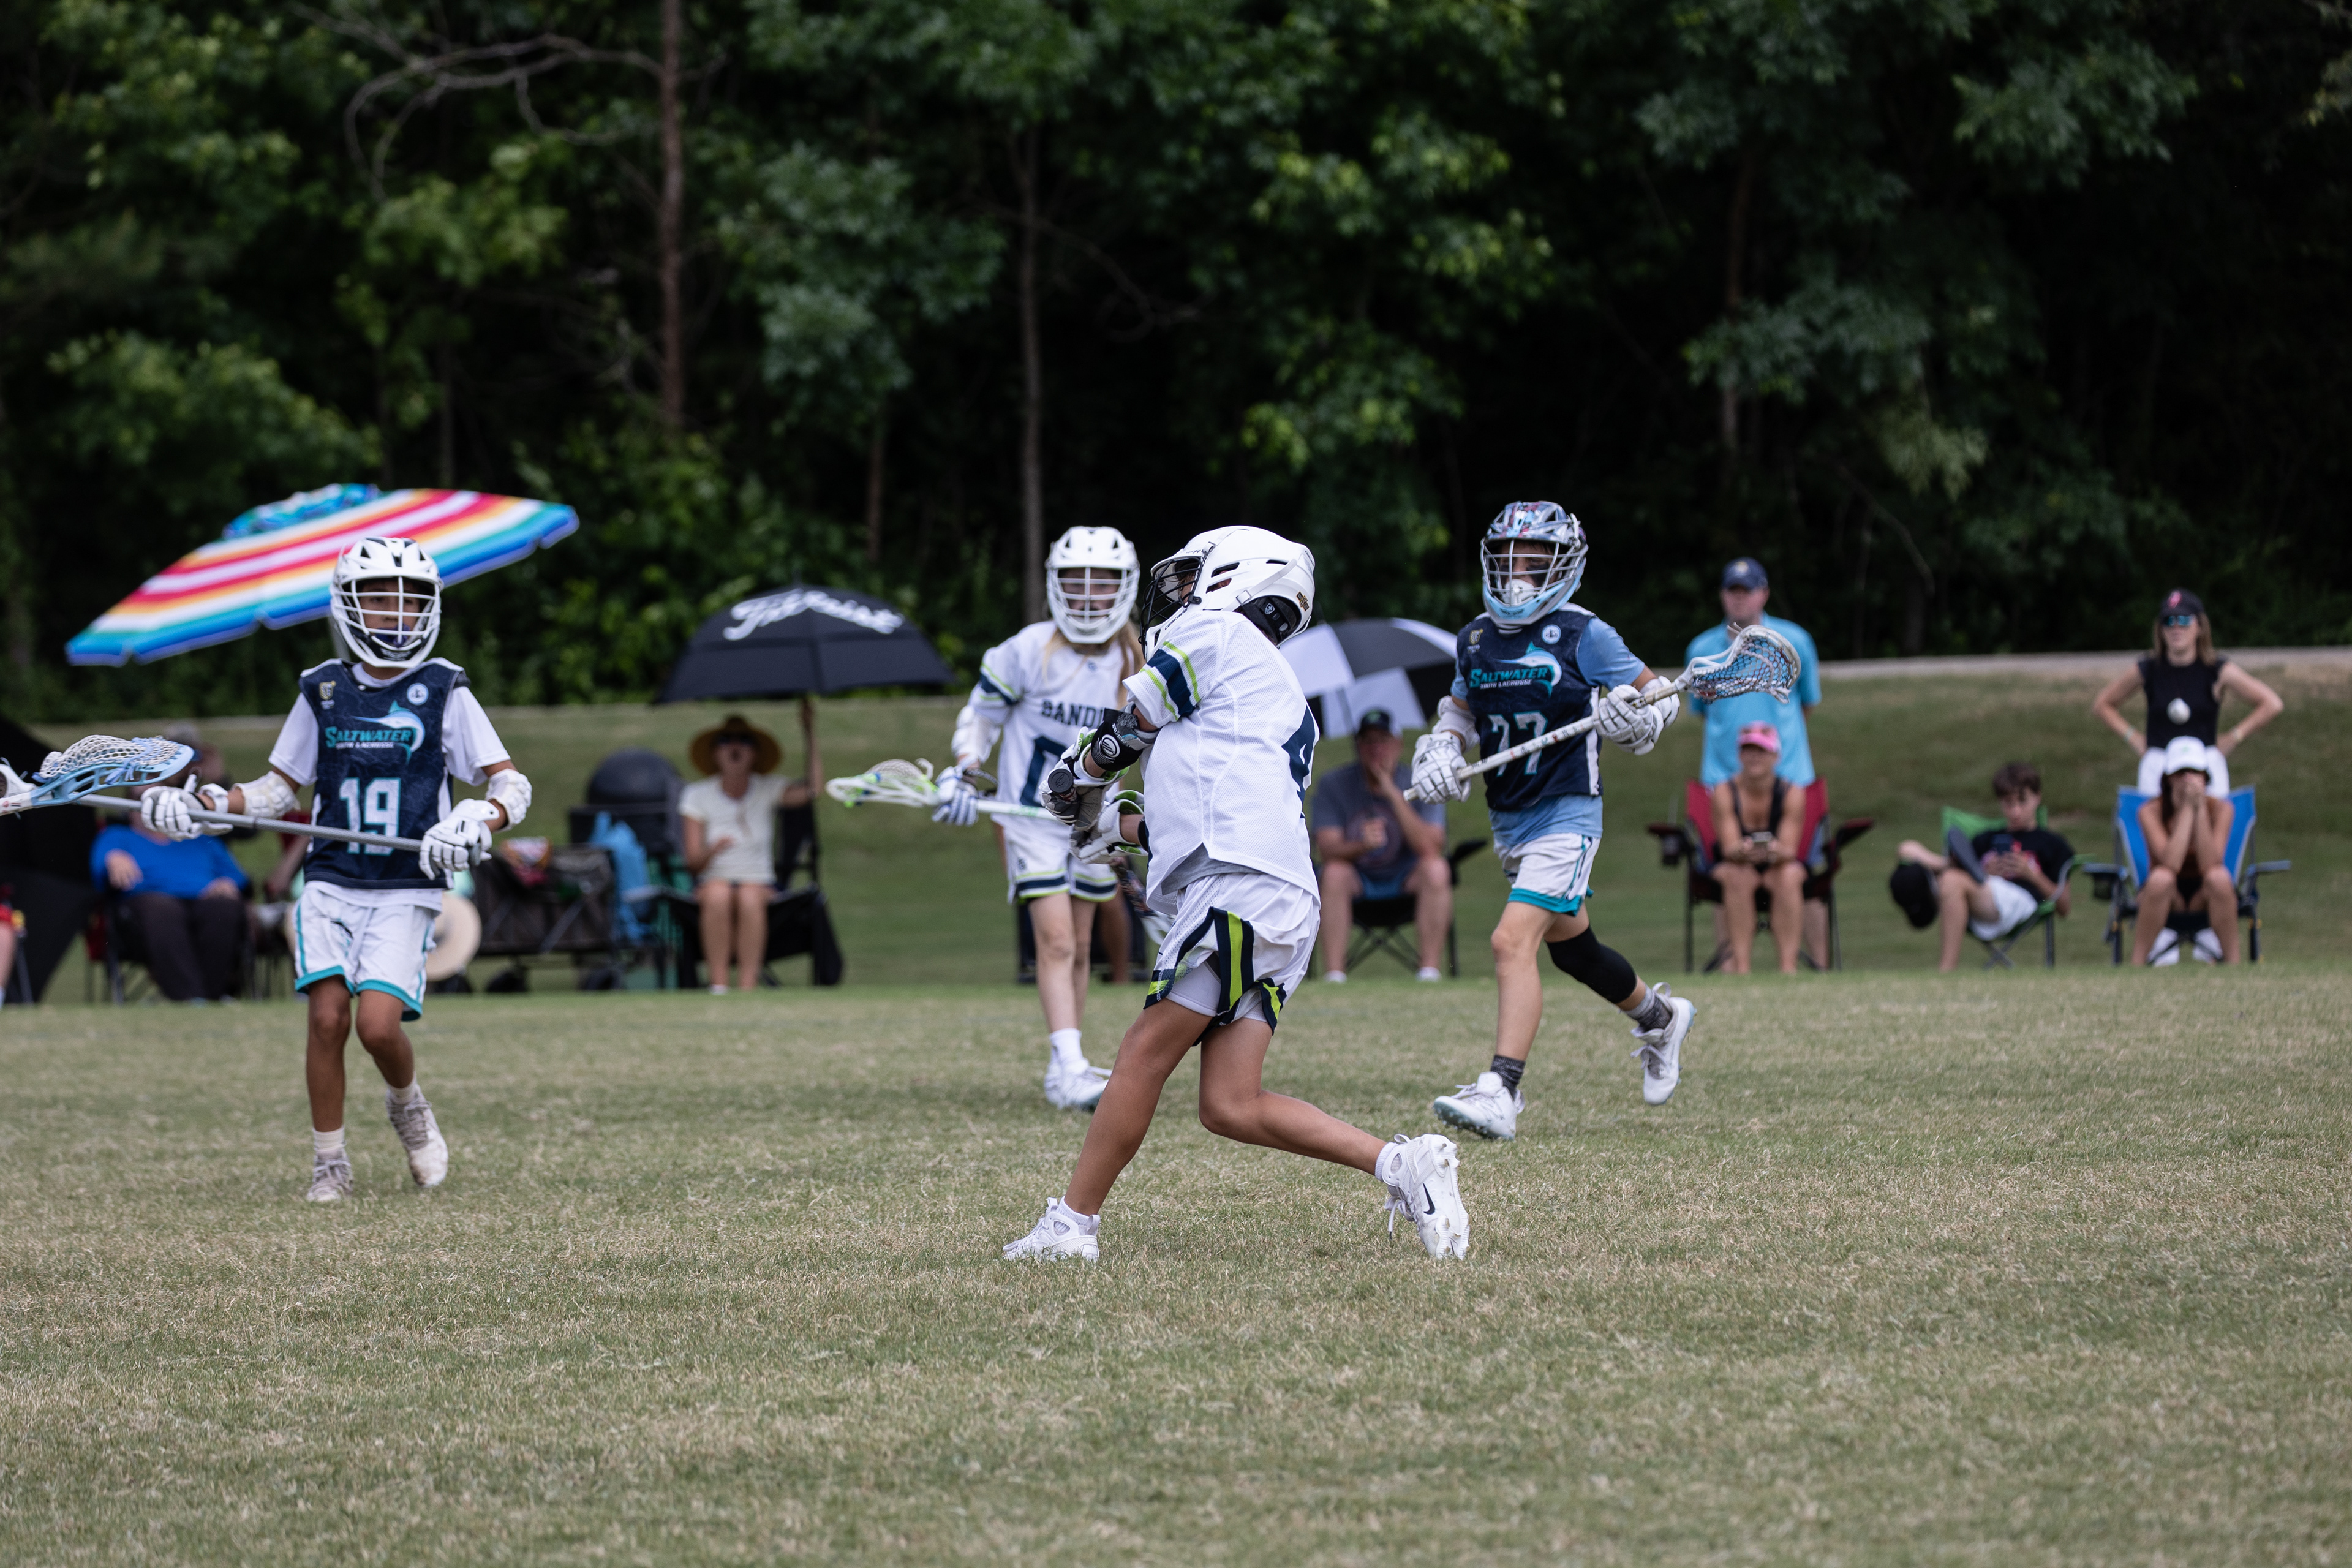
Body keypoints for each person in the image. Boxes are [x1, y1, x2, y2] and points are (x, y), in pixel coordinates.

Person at [1006, 525, 1471, 1262]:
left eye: (1194, 577)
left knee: (1142, 1052)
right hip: (1273, 892)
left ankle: (1071, 1225)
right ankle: (1401, 1165)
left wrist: (1081, 773)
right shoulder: (1266, 685)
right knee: (1229, 1103)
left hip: (1242, 887)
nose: (1182, 595)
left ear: (1241, 578)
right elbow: (1209, 804)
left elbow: (1136, 723)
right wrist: (1117, 826)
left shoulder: (1217, 634)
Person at [139, 535, 533, 1203]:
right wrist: (203, 804)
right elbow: (276, 790)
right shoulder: (323, 689)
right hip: (330, 879)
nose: (396, 614)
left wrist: (477, 818)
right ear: (349, 606)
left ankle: (408, 1105)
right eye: (379, 600)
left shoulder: (445, 689)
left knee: (378, 1026)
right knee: (327, 1018)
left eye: (409, 601)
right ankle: (330, 1163)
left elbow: (510, 785)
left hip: (405, 884)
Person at [1409, 502, 1696, 1145]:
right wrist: (1442, 749)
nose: (1518, 574)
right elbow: (1460, 711)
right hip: (1510, 817)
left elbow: (1660, 697)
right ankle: (1661, 1017)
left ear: (1563, 567)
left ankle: (1501, 1090)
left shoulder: (1584, 633)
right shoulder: (1475, 638)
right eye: (1509, 560)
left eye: (1534, 562)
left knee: (1511, 940)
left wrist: (1637, 718)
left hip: (1568, 813)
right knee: (1575, 952)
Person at [932, 526, 1144, 1111]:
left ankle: (1064, 1064)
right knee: (1054, 938)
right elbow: (981, 718)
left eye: (1102, 583)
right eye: (1076, 581)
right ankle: (1070, 1065)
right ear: (1055, 584)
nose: (1088, 595)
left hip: (1093, 821)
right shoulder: (1027, 650)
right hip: (1030, 817)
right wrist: (965, 769)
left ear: (1123, 588)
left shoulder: (1137, 660)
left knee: (1080, 941)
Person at [1686, 557, 1827, 963]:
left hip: (1790, 776)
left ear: (1764, 594)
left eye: (1747, 591)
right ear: (1722, 596)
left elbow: (1807, 704)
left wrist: (1774, 758)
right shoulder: (1701, 650)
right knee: (1729, 876)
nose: (1740, 599)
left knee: (1803, 874)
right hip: (1722, 779)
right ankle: (1731, 964)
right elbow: (1702, 712)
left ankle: (1818, 967)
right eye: (1733, 591)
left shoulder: (1795, 640)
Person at [679, 701, 821, 994]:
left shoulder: (768, 788)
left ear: (755, 753)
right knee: (718, 894)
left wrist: (809, 732)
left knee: (748, 896)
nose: (735, 747)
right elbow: (692, 863)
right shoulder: (696, 795)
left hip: (759, 883)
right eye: (725, 741)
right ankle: (718, 986)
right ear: (715, 753)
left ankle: (747, 988)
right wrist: (712, 850)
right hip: (713, 880)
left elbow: (813, 791)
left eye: (744, 741)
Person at [2092, 588, 2283, 798]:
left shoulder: (2216, 669)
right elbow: (2103, 704)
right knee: (2152, 817)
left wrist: (2234, 737)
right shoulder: (2149, 668)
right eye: (2168, 621)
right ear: (2160, 629)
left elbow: (2271, 703)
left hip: (2205, 762)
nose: (2176, 628)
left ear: (2199, 626)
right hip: (2160, 761)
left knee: (2217, 815)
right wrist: (2134, 738)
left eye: (2183, 620)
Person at [1311, 707, 1451, 982]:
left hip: (1406, 879)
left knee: (1437, 869)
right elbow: (1326, 850)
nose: (1376, 749)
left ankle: (1429, 973)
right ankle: (1334, 977)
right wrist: (1360, 845)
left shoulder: (1421, 782)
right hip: (1358, 882)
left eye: (1383, 741)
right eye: (1368, 741)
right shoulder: (1333, 784)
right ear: (1358, 746)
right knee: (1334, 873)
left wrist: (1393, 795)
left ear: (1398, 744)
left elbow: (1431, 847)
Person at [1893, 761, 2075, 971]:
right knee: (1917, 868)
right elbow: (1908, 850)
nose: (2016, 811)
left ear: (2038, 797)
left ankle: (1945, 972)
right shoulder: (1985, 840)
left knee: (1951, 880)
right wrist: (1982, 872)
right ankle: (1923, 906)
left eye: (2022, 801)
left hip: (2022, 902)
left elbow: (2064, 907)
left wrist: (2031, 874)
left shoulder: (2053, 843)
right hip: (1978, 898)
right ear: (2000, 802)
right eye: (2008, 803)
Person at [90, 805, 251, 1000]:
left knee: (223, 908)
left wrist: (227, 882)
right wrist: (112, 858)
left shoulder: (200, 838)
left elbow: (239, 877)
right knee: (162, 909)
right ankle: (190, 998)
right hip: (145, 908)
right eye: (142, 802)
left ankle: (213, 997)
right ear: (130, 810)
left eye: (158, 801)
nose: (150, 808)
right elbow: (98, 870)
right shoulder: (117, 836)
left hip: (203, 901)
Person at [1708, 722, 1807, 974]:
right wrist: (1741, 851)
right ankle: (1742, 969)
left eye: (1761, 750)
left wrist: (1775, 851)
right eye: (1748, 750)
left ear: (1776, 756)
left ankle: (1788, 968)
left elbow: (1789, 850)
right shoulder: (1724, 791)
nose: (1754, 757)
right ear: (1739, 755)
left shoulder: (1792, 792)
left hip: (1777, 866)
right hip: (1736, 865)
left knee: (1789, 875)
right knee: (1737, 876)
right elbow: (1729, 847)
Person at [2130, 737, 2239, 965]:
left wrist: (2200, 811)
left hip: (2204, 892)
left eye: (2195, 772)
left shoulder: (2222, 809)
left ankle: (2234, 964)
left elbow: (2211, 863)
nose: (2188, 779)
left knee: (2219, 878)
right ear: (2169, 777)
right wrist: (2188, 809)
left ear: (2206, 776)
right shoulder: (2149, 811)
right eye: (2181, 773)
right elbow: (2170, 863)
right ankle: (2136, 965)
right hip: (2167, 895)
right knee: (2162, 878)